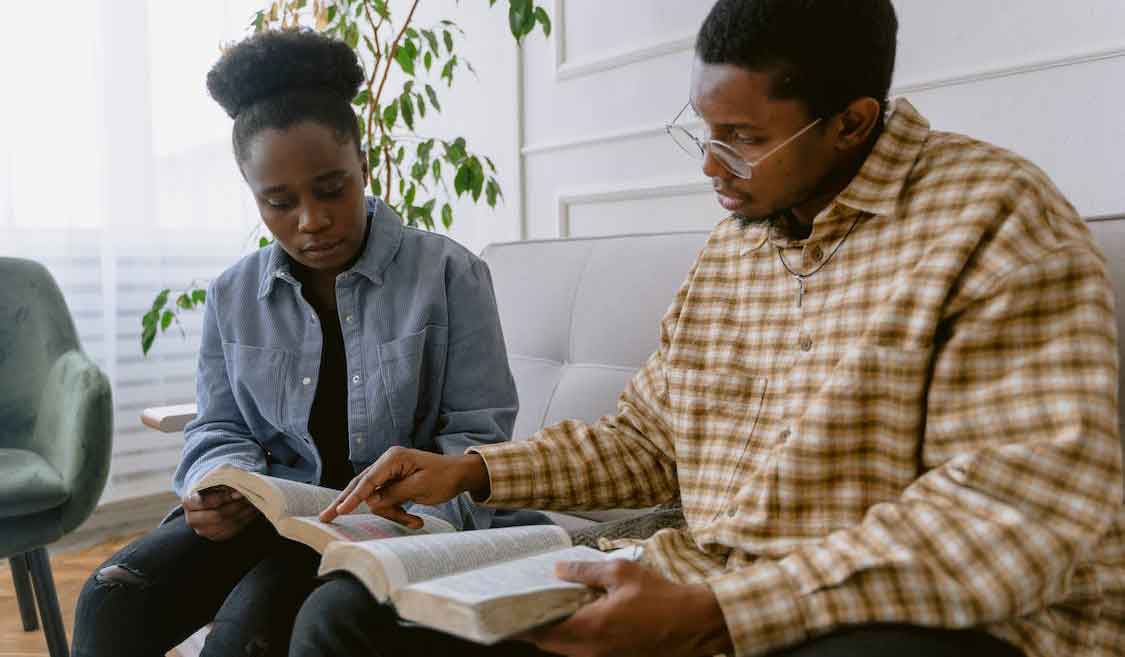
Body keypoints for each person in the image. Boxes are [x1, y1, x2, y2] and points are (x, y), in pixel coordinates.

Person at [287, 1, 1125, 656]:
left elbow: (1004, 518)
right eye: (703, 127)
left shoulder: (995, 218)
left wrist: (725, 612)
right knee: (349, 616)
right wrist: (470, 470)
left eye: (741, 138)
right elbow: (651, 440)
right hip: (702, 582)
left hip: (917, 617)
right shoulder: (737, 245)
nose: (708, 164)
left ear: (852, 122)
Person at [71, 29, 545, 657]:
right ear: (254, 197)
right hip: (269, 518)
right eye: (278, 202)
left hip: (394, 527)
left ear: (364, 168)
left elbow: (479, 436)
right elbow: (219, 424)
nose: (311, 220)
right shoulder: (232, 295)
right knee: (110, 597)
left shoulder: (450, 275)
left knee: (246, 635)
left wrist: (414, 496)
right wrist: (217, 479)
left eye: (331, 189)